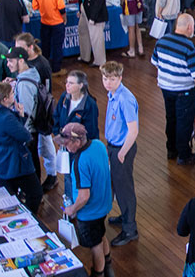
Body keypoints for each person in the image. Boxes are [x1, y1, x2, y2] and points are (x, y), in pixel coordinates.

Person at [56, 123, 115, 277]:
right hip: (104, 204)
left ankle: (99, 273)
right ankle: (109, 268)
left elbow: (84, 196)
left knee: (95, 245)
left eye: (67, 144)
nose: (65, 148)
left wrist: (72, 209)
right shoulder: (98, 145)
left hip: (90, 212)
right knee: (101, 234)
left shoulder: (80, 161)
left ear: (77, 141)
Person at [151, 14, 195, 165]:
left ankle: (171, 149)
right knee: (184, 122)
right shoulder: (189, 47)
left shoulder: (162, 41)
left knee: (171, 118)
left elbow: (154, 61)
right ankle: (184, 154)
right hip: (184, 91)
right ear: (189, 27)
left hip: (165, 88)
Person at [0, 81, 42, 214]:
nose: (14, 95)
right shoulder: (6, 117)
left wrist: (19, 116)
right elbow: (25, 135)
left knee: (10, 196)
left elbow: (11, 130)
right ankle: (30, 216)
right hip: (13, 162)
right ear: (6, 99)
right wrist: (20, 115)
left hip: (0, 159)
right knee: (35, 193)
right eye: (12, 93)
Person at [101, 61, 140, 246]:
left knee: (124, 189)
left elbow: (133, 131)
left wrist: (122, 153)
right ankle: (125, 217)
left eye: (113, 79)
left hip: (122, 149)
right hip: (113, 146)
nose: (108, 82)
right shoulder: (112, 94)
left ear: (120, 78)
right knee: (116, 184)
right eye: (105, 78)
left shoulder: (125, 98)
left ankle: (130, 228)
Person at [6, 45, 53, 190]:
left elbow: (25, 113)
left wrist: (10, 105)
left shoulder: (24, 84)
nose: (8, 65)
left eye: (11, 61)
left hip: (28, 131)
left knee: (31, 164)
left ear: (21, 61)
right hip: (33, 130)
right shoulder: (31, 74)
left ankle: (35, 192)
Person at [32, 0, 66, 72]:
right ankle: (56, 68)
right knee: (57, 46)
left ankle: (45, 67)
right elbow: (61, 8)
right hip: (57, 23)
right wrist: (64, 19)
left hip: (44, 22)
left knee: (45, 46)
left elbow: (34, 6)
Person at [53, 70, 101, 140]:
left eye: (71, 83)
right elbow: (56, 116)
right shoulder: (64, 97)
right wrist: (59, 134)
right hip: (64, 142)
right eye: (66, 82)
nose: (67, 85)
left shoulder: (90, 105)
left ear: (80, 85)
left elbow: (90, 132)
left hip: (79, 145)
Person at [78, 0, 109, 67]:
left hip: (95, 15)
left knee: (96, 38)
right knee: (82, 31)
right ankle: (85, 56)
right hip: (85, 12)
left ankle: (99, 61)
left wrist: (93, 17)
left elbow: (98, 2)